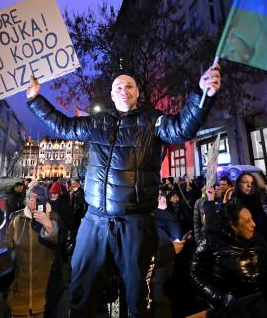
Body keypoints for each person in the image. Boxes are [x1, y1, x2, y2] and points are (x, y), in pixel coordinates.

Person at [25, 65, 220, 317]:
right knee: (81, 291)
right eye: (119, 86)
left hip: (136, 225)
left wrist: (202, 95)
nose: (124, 90)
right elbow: (63, 126)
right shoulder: (98, 122)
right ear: (112, 95)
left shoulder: (153, 121)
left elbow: (182, 127)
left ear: (138, 93)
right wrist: (34, 99)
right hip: (94, 222)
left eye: (129, 86)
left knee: (139, 298)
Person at [190, 203, 267, 317]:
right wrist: (220, 297)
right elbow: (196, 274)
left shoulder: (257, 238)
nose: (254, 224)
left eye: (252, 219)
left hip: (260, 305)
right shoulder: (210, 241)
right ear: (233, 226)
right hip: (231, 309)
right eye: (247, 221)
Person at [5, 184, 62, 318]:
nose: (33, 200)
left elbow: (60, 242)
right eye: (30, 197)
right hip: (19, 297)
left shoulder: (54, 217)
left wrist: (47, 223)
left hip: (45, 296)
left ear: (45, 199)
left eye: (39, 198)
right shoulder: (16, 219)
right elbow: (6, 249)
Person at [68, 177, 85, 251]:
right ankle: (72, 239)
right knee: (72, 228)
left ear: (77, 183)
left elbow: (79, 204)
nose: (72, 184)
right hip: (73, 212)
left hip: (76, 214)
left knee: (75, 228)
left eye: (74, 183)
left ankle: (74, 242)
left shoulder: (80, 192)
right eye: (72, 183)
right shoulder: (72, 190)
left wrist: (73, 213)